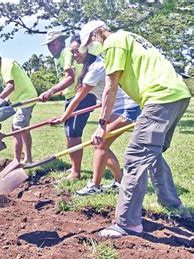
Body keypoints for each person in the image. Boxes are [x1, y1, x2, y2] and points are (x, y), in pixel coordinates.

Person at [80, 20, 191, 238]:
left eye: (91, 41)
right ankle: (172, 203)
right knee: (152, 153)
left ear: (99, 33)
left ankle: (127, 223)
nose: (93, 46)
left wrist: (102, 125)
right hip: (178, 95)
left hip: (159, 97)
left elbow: (111, 86)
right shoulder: (129, 37)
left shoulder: (113, 43)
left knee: (135, 157)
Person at [50, 35, 141, 196]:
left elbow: (79, 97)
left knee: (99, 143)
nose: (74, 54)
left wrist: (63, 117)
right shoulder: (90, 66)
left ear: (88, 49)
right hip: (119, 108)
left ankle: (95, 186)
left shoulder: (96, 67)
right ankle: (120, 182)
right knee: (102, 144)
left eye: (77, 50)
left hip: (129, 108)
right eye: (71, 52)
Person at [40, 30, 97, 180]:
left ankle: (76, 173)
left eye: (53, 44)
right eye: (48, 45)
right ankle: (74, 168)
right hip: (72, 97)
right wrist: (62, 91)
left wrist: (50, 91)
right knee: (69, 134)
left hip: (82, 97)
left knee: (74, 134)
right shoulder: (63, 55)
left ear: (61, 42)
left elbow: (70, 78)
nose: (50, 48)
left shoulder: (66, 52)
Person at [0, 47, 38, 164]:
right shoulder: (2, 67)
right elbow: (14, 87)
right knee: (24, 130)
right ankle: (28, 159)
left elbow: (10, 86)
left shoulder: (6, 65)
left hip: (25, 99)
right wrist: (4, 101)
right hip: (23, 98)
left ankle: (16, 161)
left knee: (16, 128)